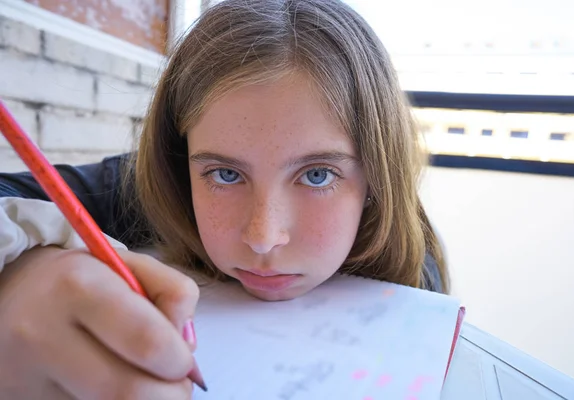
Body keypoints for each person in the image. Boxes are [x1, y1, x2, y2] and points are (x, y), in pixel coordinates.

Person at [0, 0, 450, 398]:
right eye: (226, 174)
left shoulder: (417, 284)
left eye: (317, 175)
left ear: (376, 174)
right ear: (180, 160)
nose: (263, 238)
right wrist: (18, 272)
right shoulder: (146, 186)